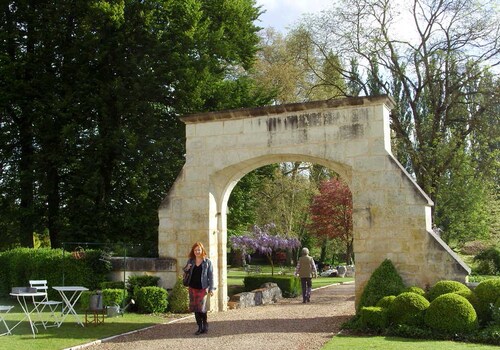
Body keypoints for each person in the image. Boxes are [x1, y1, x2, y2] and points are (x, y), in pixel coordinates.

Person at [183, 242, 216, 335]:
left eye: (199, 250)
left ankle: (205, 323)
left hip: (203, 288)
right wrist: (187, 267)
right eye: (195, 250)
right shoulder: (191, 261)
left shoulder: (207, 262)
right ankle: (200, 327)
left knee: (201, 308)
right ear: (193, 251)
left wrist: (211, 289)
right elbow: (185, 271)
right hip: (192, 287)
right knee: (195, 308)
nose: (197, 251)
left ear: (202, 250)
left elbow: (211, 276)